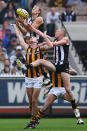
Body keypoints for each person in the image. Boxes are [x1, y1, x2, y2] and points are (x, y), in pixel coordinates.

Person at [12, 23, 53, 129]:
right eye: (31, 37)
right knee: (30, 103)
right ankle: (34, 120)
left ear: (36, 41)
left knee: (34, 101)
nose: (32, 38)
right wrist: (15, 27)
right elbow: (19, 38)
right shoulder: (27, 48)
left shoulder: (40, 48)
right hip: (28, 78)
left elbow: (50, 45)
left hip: (38, 78)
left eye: (34, 37)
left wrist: (44, 36)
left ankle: (33, 121)